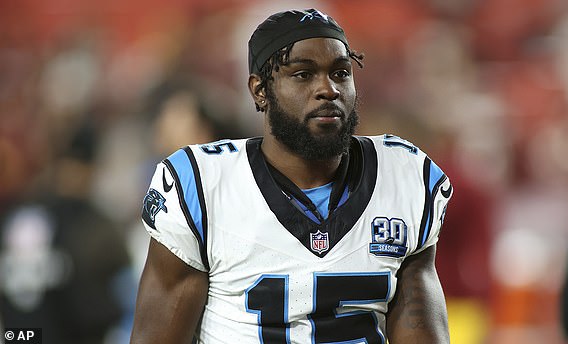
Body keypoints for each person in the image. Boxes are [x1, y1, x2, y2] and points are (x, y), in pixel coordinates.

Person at [130, 8, 453, 343]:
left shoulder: (404, 175)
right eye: (303, 74)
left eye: (341, 73)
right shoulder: (202, 185)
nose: (328, 89)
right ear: (259, 91)